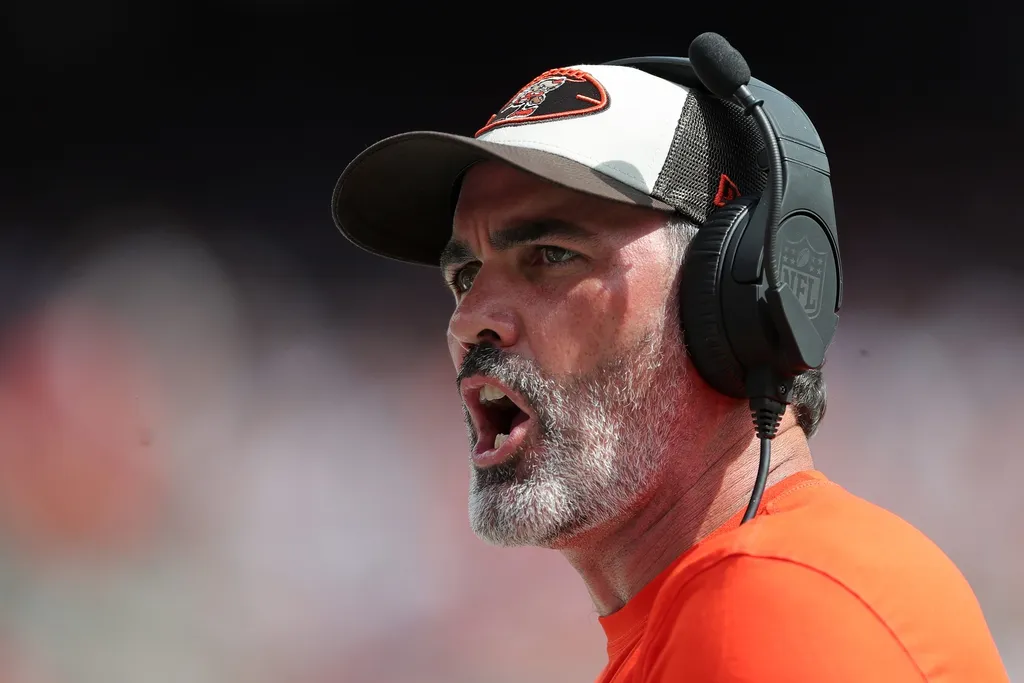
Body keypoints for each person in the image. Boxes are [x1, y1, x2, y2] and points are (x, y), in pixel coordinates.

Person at [329, 57, 1009, 682]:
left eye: (552, 253)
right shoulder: (719, 611)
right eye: (466, 273)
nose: (467, 318)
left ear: (732, 294)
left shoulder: (773, 605)